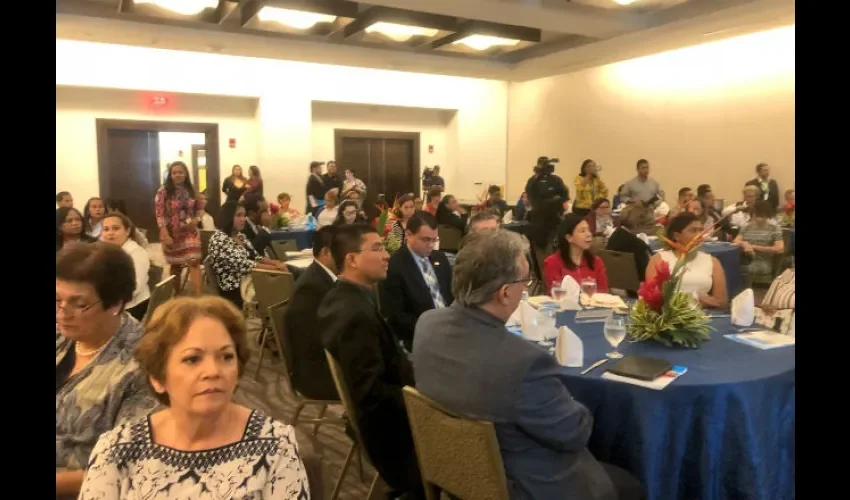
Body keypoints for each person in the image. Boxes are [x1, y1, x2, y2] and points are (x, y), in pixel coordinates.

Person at [412, 229, 646, 500]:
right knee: (631, 485)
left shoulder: (427, 323)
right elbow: (575, 434)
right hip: (524, 485)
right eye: (524, 281)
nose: (525, 288)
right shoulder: (522, 361)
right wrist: (571, 399)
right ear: (504, 292)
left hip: (455, 471)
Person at [78, 296, 310, 499]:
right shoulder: (118, 449)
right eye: (192, 359)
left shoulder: (275, 445)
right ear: (158, 377)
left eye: (226, 357)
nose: (213, 371)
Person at [318, 224, 423, 498]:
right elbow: (371, 395)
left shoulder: (338, 298)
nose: (387, 254)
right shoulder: (356, 316)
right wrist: (423, 395)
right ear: (352, 259)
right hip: (396, 439)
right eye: (377, 248)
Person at [56, 243, 159, 498]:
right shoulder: (65, 334)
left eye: (78, 304)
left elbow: (126, 468)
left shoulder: (142, 367)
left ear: (115, 304)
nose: (62, 313)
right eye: (57, 299)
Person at [380, 212, 453, 350]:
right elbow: (395, 315)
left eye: (434, 240)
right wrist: (433, 328)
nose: (431, 245)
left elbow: (451, 295)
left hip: (450, 328)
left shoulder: (440, 258)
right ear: (408, 234)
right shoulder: (394, 265)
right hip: (420, 335)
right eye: (426, 240)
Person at [284, 226, 339, 400]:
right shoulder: (311, 287)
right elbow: (314, 344)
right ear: (326, 252)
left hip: (325, 363)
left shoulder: (322, 276)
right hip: (317, 376)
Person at [207, 201, 289, 308]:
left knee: (291, 273)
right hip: (236, 290)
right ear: (227, 217)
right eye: (238, 215)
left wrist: (275, 262)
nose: (243, 219)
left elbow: (256, 256)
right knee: (285, 284)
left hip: (251, 279)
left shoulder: (240, 236)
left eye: (244, 215)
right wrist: (275, 269)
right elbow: (246, 265)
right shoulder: (219, 239)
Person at [646, 212, 728, 309]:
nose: (699, 235)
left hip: (702, 318)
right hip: (669, 318)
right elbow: (652, 299)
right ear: (676, 236)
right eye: (693, 230)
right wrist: (694, 298)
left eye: (701, 230)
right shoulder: (659, 260)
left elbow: (721, 303)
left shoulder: (713, 262)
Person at [154, 161, 202, 295]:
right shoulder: (163, 191)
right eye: (174, 173)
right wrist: (164, 233)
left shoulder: (192, 190)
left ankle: (199, 296)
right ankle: (177, 293)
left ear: (186, 174)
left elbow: (200, 209)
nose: (177, 175)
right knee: (175, 266)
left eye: (180, 172)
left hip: (189, 232)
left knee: (194, 260)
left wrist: (196, 220)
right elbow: (159, 214)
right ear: (170, 175)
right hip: (171, 232)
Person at [100, 213, 151, 321]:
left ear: (127, 231)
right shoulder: (104, 251)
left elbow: (134, 288)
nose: (110, 233)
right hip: (110, 303)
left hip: (132, 305)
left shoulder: (136, 253)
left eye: (115, 228)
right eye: (106, 229)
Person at [543, 214, 609, 294]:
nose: (589, 234)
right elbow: (556, 294)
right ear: (569, 238)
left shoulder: (596, 262)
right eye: (582, 231)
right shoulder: (553, 262)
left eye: (589, 230)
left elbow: (603, 292)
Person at [734, 200, 784, 287]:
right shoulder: (746, 228)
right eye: (756, 215)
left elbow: (780, 248)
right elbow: (735, 241)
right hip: (746, 257)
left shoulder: (774, 229)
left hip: (763, 260)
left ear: (768, 215)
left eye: (762, 216)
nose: (758, 219)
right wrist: (744, 244)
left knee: (749, 268)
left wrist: (753, 247)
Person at [606, 204, 653, 282]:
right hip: (635, 285)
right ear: (637, 225)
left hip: (614, 282)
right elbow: (645, 271)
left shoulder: (615, 235)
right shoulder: (638, 244)